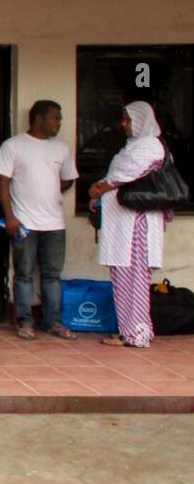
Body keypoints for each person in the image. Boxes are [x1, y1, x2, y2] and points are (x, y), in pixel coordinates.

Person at [0, 99, 79, 341]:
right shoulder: (14, 146)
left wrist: (49, 190)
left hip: (55, 224)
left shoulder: (60, 149)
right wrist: (9, 216)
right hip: (24, 223)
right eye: (55, 118)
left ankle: (53, 322)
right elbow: (2, 181)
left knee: (52, 275)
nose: (59, 123)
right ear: (39, 118)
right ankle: (24, 321)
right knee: (24, 273)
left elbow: (69, 178)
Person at [91, 102, 172, 348]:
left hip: (136, 226)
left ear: (142, 120)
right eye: (123, 120)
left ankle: (137, 333)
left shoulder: (150, 146)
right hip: (121, 225)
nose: (123, 124)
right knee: (123, 276)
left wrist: (100, 188)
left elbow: (124, 176)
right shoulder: (133, 146)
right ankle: (127, 330)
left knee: (135, 277)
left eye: (128, 120)